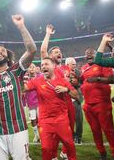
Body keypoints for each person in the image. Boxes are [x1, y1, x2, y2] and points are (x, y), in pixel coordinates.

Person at [0, 14, 36, 160]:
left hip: (18, 129)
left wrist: (21, 26)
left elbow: (32, 50)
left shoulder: (16, 71)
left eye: (3, 51)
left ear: (8, 57)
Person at [24, 58, 80, 160]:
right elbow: (24, 88)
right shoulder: (37, 81)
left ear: (53, 66)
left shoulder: (62, 81)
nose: (43, 66)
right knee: (45, 148)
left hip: (61, 119)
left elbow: (77, 95)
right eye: (42, 65)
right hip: (45, 121)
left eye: (46, 64)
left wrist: (66, 89)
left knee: (69, 145)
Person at [40, 24, 75, 158]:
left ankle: (64, 152)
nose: (59, 53)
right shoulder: (51, 67)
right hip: (55, 104)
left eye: (60, 51)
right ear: (50, 56)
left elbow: (72, 83)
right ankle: (53, 155)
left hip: (68, 101)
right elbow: (43, 50)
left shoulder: (66, 68)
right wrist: (48, 33)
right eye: (56, 52)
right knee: (55, 133)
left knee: (70, 128)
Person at [80, 47, 114, 160]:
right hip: (88, 104)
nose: (88, 54)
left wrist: (97, 79)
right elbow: (82, 81)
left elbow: (113, 79)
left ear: (96, 55)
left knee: (108, 130)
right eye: (86, 53)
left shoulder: (102, 64)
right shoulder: (84, 68)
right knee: (95, 131)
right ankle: (102, 153)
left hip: (101, 103)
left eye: (91, 53)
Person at [65, 57, 83, 144]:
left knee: (79, 119)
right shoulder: (62, 72)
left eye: (75, 64)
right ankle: (71, 135)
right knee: (68, 120)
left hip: (76, 98)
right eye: (72, 64)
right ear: (66, 65)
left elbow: (81, 82)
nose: (74, 66)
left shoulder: (78, 72)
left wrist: (76, 82)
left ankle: (78, 137)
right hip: (66, 99)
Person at [23, 63, 40, 143]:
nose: (32, 68)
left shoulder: (40, 76)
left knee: (41, 120)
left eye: (33, 67)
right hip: (31, 103)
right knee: (33, 120)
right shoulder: (25, 78)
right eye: (30, 67)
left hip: (40, 102)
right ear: (27, 69)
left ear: (36, 68)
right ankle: (36, 136)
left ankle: (43, 135)